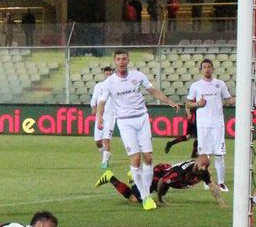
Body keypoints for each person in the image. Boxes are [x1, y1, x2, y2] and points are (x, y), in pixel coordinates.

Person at [96, 49, 180, 211]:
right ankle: (146, 197)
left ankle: (146, 192)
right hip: (125, 123)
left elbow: (152, 90)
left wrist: (168, 101)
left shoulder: (137, 76)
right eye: (118, 59)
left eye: (124, 59)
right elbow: (101, 102)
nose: (121, 61)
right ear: (115, 62)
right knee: (135, 159)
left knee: (148, 157)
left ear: (128, 60)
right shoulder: (109, 83)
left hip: (142, 119)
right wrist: (99, 116)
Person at [95, 154, 225, 206]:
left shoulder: (203, 172)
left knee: (145, 195)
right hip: (158, 175)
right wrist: (161, 199)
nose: (203, 168)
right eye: (202, 165)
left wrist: (220, 202)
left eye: (205, 167)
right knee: (135, 199)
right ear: (196, 162)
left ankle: (134, 175)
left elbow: (212, 186)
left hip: (166, 174)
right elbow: (163, 181)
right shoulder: (181, 172)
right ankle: (110, 177)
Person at [186, 58, 234, 192]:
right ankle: (207, 181)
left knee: (219, 154)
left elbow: (228, 100)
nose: (207, 69)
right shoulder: (196, 86)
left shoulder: (220, 84)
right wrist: (197, 104)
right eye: (204, 67)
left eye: (209, 67)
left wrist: (243, 97)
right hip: (203, 125)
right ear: (201, 70)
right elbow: (188, 103)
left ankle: (222, 183)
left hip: (218, 124)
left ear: (212, 69)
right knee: (204, 155)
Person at [91, 66, 116, 168]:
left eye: (110, 74)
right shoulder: (99, 86)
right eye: (107, 74)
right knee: (98, 142)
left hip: (111, 116)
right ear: (104, 75)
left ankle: (105, 161)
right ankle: (105, 153)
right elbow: (94, 98)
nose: (109, 76)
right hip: (100, 116)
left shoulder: (116, 87)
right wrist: (93, 106)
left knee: (106, 139)